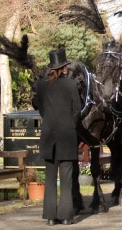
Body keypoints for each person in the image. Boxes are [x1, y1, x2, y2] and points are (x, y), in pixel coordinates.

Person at [36, 49, 81, 225]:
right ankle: (65, 216)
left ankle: (50, 217)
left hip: (48, 135)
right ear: (63, 68)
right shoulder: (71, 84)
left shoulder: (41, 85)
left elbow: (41, 109)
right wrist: (69, 123)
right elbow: (77, 109)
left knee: (49, 177)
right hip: (67, 135)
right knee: (66, 178)